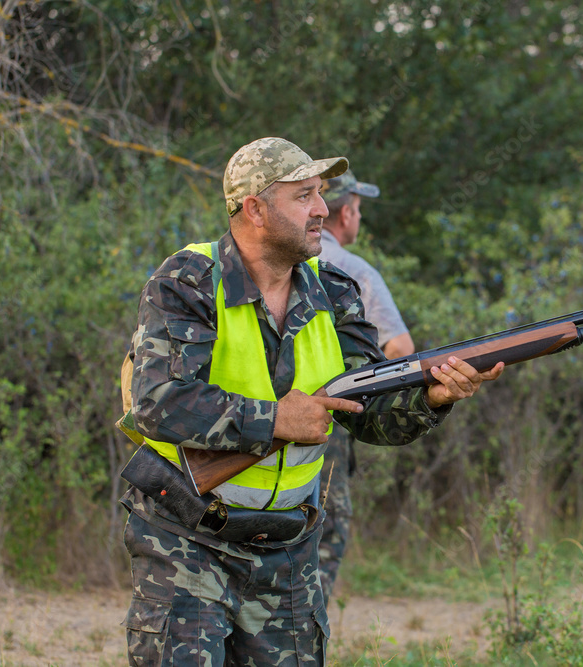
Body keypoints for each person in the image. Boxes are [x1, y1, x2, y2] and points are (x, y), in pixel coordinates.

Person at [120, 136, 504, 666]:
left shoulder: (337, 291)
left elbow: (370, 414)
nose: (324, 208)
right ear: (254, 208)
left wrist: (433, 398)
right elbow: (158, 402)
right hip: (187, 542)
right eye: (304, 196)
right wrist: (276, 419)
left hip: (288, 551)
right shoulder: (189, 282)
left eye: (321, 194)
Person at [316, 169, 414, 599]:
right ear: (347, 211)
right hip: (328, 431)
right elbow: (400, 350)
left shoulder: (261, 262)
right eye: (359, 209)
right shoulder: (354, 269)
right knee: (324, 534)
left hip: (258, 420)